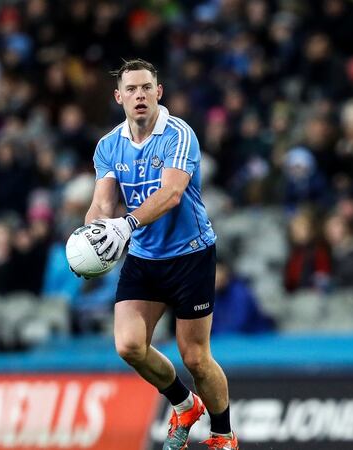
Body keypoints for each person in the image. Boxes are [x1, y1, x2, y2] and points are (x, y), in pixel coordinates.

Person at [82, 59, 237, 449]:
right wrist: (91, 239)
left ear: (159, 92)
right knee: (128, 346)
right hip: (144, 257)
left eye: (146, 88)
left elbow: (171, 194)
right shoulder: (108, 145)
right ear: (119, 97)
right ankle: (185, 405)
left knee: (196, 358)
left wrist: (125, 225)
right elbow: (102, 205)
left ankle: (223, 435)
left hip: (190, 255)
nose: (139, 95)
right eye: (131, 89)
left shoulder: (179, 134)